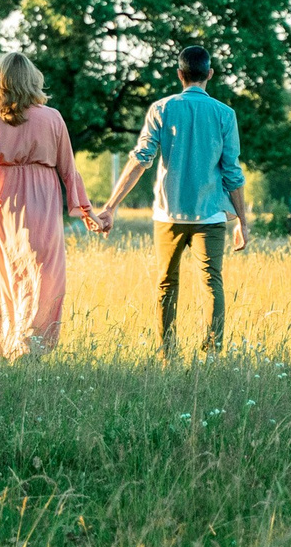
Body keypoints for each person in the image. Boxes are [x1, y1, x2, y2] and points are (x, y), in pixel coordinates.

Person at [92, 44, 248, 359]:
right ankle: (212, 353)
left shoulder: (161, 109)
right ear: (210, 74)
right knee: (212, 284)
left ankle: (167, 353)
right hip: (211, 217)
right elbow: (232, 173)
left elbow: (141, 160)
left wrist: (111, 205)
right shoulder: (225, 115)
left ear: (180, 74)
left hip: (168, 214)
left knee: (167, 283)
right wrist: (243, 222)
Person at [0, 52, 94, 358]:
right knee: (45, 277)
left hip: (1, 206)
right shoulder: (53, 118)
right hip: (43, 204)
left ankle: (10, 344)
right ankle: (31, 346)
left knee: (6, 277)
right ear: (33, 79)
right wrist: (85, 210)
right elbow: (68, 168)